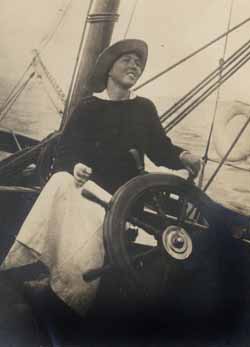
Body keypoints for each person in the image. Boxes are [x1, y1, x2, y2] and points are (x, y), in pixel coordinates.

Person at [0, 39, 200, 316]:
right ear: (109, 68)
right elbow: (66, 152)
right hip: (87, 190)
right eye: (127, 60)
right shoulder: (87, 107)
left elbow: (161, 148)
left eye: (138, 62)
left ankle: (64, 290)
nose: (135, 65)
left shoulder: (144, 108)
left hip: (125, 201)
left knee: (91, 217)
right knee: (60, 182)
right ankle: (54, 280)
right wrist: (76, 167)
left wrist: (184, 155)